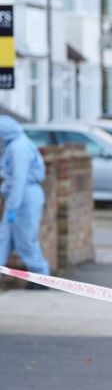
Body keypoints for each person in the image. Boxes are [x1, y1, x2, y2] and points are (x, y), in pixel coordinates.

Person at [0, 115, 50, 288]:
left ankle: (41, 278)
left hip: (24, 198)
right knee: (3, 238)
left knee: (26, 240)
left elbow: (19, 180)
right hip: (20, 197)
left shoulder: (18, 148)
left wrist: (13, 206)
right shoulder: (15, 144)